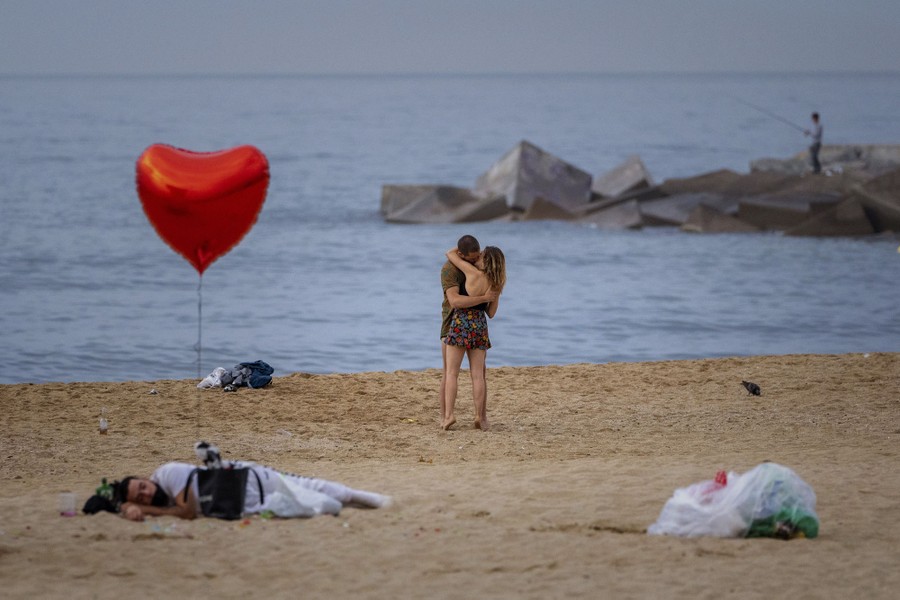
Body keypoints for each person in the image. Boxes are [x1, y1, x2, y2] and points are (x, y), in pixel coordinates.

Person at [110, 450, 390, 521]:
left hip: (251, 479)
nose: (146, 494)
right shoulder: (163, 501)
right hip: (247, 504)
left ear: (146, 479)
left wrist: (145, 510)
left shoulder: (167, 473)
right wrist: (131, 508)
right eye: (142, 497)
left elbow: (188, 511)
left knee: (327, 490)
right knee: (323, 505)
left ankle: (381, 502)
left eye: (142, 487)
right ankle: (360, 505)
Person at [441, 244, 506, 431]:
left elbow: (450, 253)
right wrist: (490, 297)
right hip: (479, 325)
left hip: (461, 322)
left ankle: (449, 416)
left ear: (485, 260)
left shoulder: (471, 272)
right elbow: (491, 313)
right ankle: (479, 416)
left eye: (481, 256)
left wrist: (468, 247)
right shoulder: (496, 283)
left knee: (452, 373)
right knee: (478, 375)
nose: (478, 258)